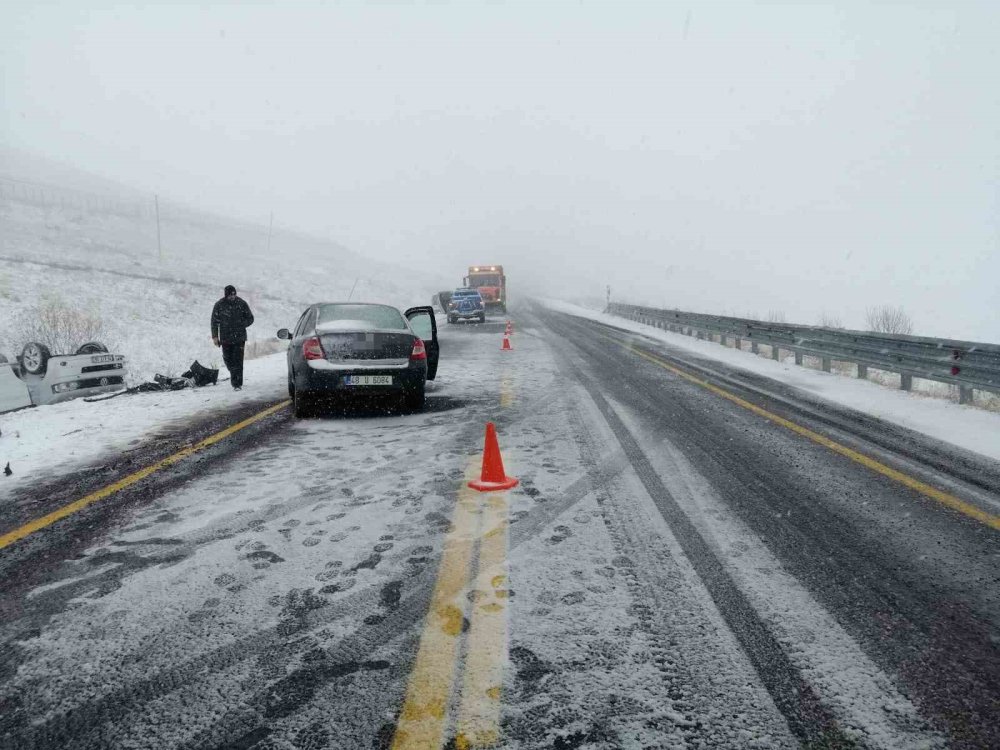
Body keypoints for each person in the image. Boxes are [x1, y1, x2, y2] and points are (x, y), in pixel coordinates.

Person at [211, 285, 254, 390]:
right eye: (230, 295)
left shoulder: (242, 303)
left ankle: (237, 384)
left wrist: (242, 324)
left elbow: (250, 318)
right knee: (228, 360)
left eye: (234, 294)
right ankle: (234, 373)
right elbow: (214, 322)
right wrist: (215, 337)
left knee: (238, 361)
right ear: (226, 295)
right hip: (225, 338)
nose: (233, 296)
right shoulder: (219, 305)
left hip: (239, 338)